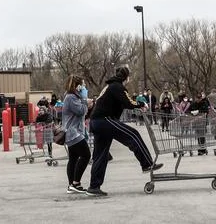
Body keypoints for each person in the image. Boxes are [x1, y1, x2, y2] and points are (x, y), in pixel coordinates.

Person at [87, 65, 163, 197]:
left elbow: (122, 102)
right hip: (105, 120)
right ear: (126, 77)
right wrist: (141, 105)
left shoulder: (110, 86)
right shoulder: (117, 86)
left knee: (101, 155)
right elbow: (128, 102)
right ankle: (147, 164)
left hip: (97, 121)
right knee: (133, 134)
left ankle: (94, 187)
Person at [62, 75, 92, 194]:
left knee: (73, 158)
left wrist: (85, 102)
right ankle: (76, 182)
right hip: (72, 133)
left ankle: (72, 185)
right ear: (77, 86)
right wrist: (84, 100)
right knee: (86, 155)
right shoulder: (71, 98)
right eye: (83, 85)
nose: (84, 87)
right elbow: (81, 111)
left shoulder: (73, 97)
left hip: (74, 132)